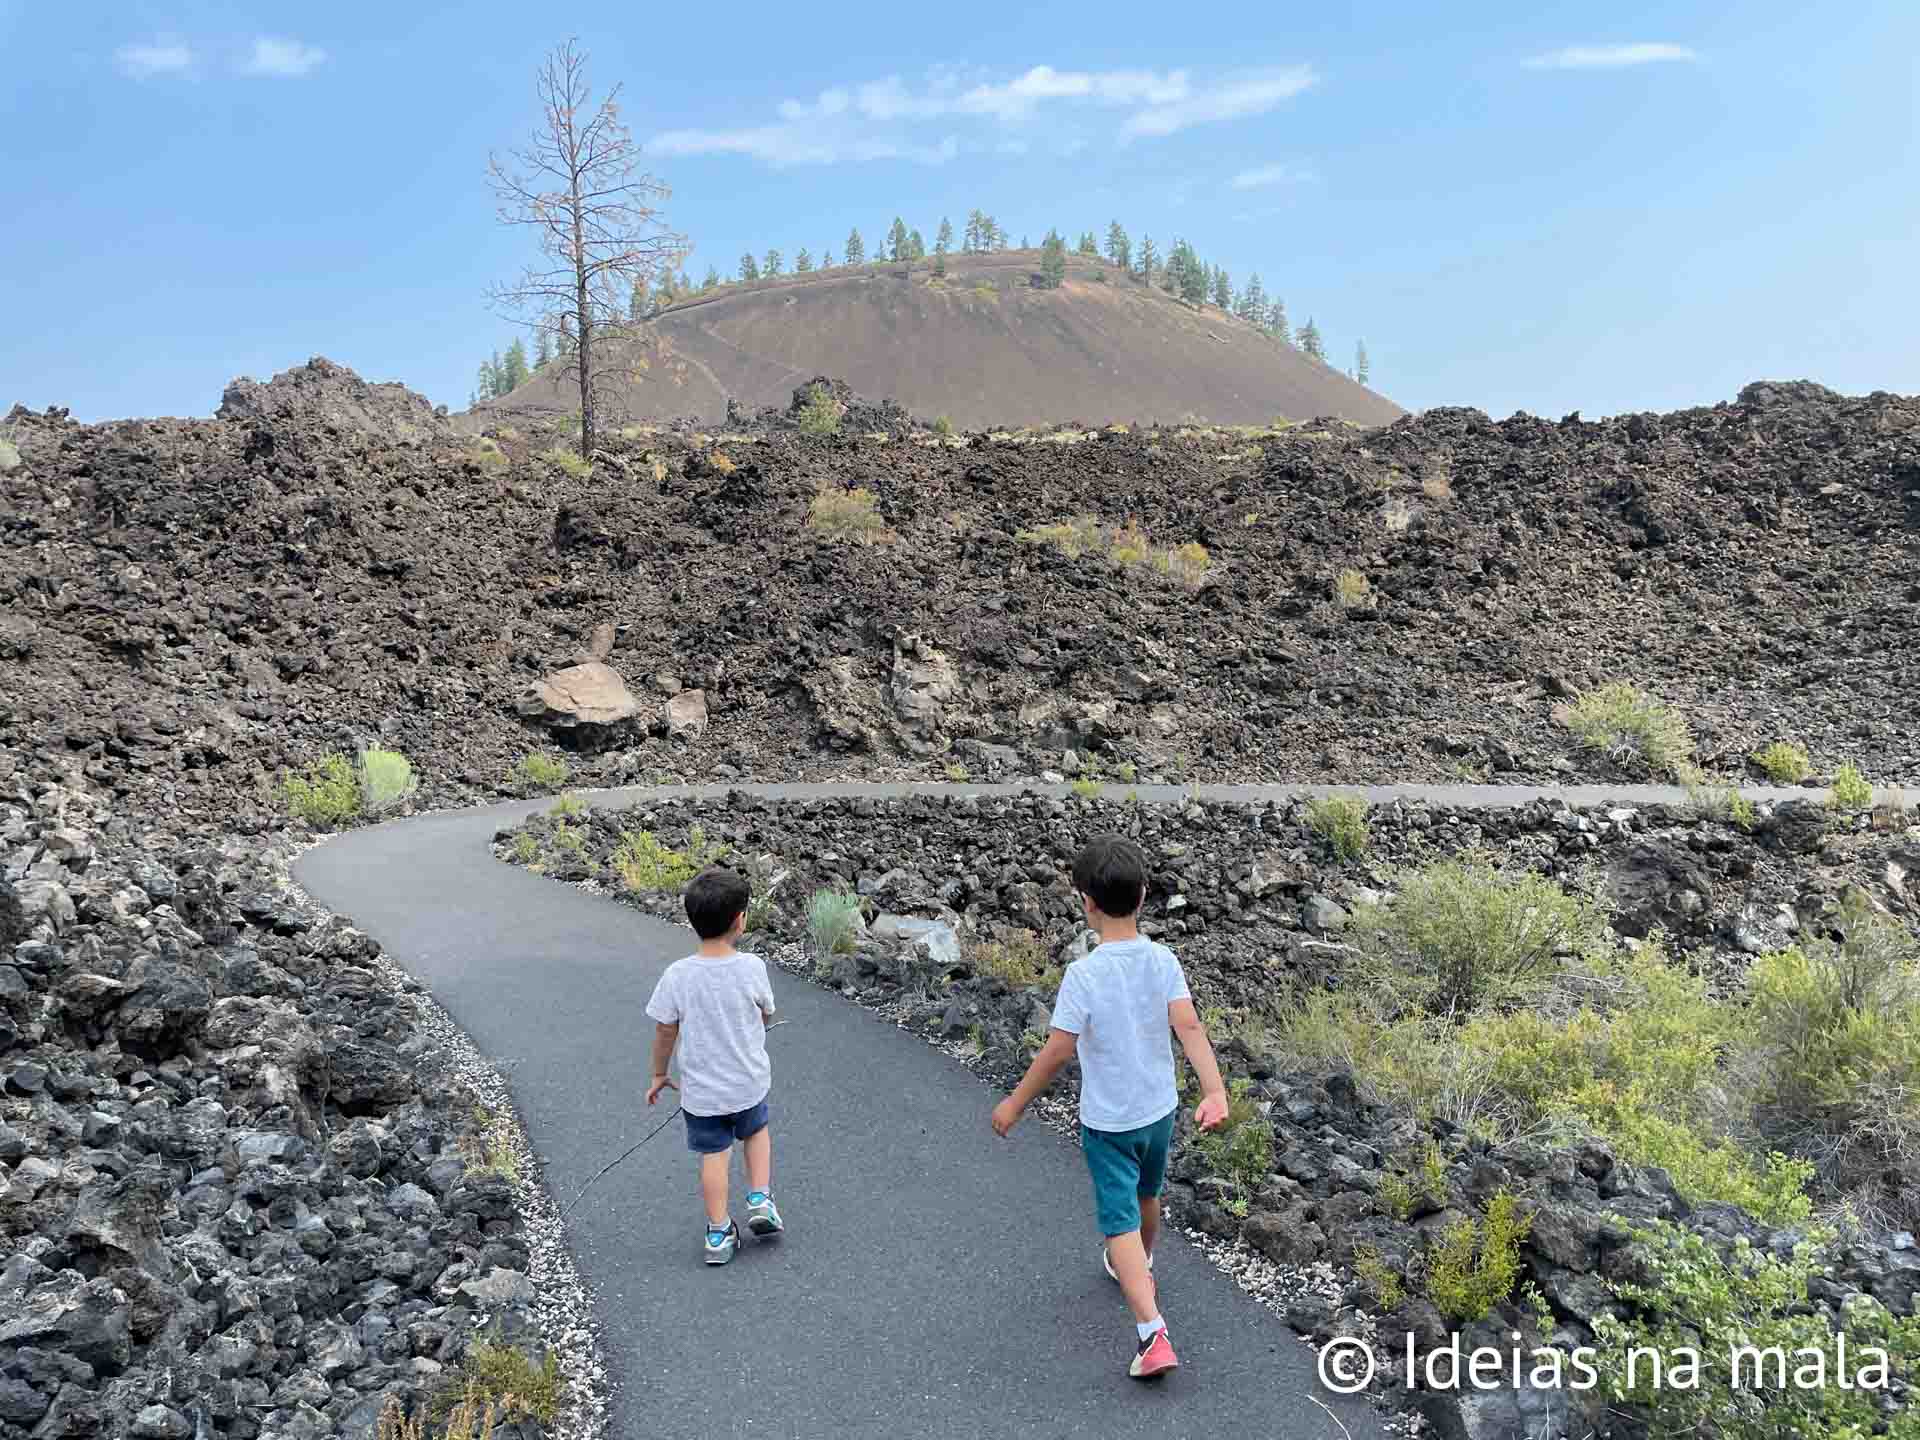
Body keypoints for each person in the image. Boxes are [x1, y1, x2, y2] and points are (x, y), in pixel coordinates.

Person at [991, 834, 1230, 1379]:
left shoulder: (1085, 974)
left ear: (1086, 903)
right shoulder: (1163, 959)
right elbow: (1188, 1025)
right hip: (1159, 1111)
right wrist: (1215, 1090)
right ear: (1144, 896)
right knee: (1148, 1193)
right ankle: (1140, 1264)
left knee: (1117, 1217)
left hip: (1110, 1121)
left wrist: (1016, 1103)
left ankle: (1153, 1333)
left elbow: (1057, 1050)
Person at [646, 867, 783, 1264]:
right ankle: (760, 1199)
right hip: (747, 1082)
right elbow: (765, 1014)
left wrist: (659, 1073)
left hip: (702, 1093)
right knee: (756, 1132)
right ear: (740, 920)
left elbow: (665, 1029)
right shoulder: (752, 967)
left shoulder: (678, 975)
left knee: (714, 1155)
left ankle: (719, 1233)